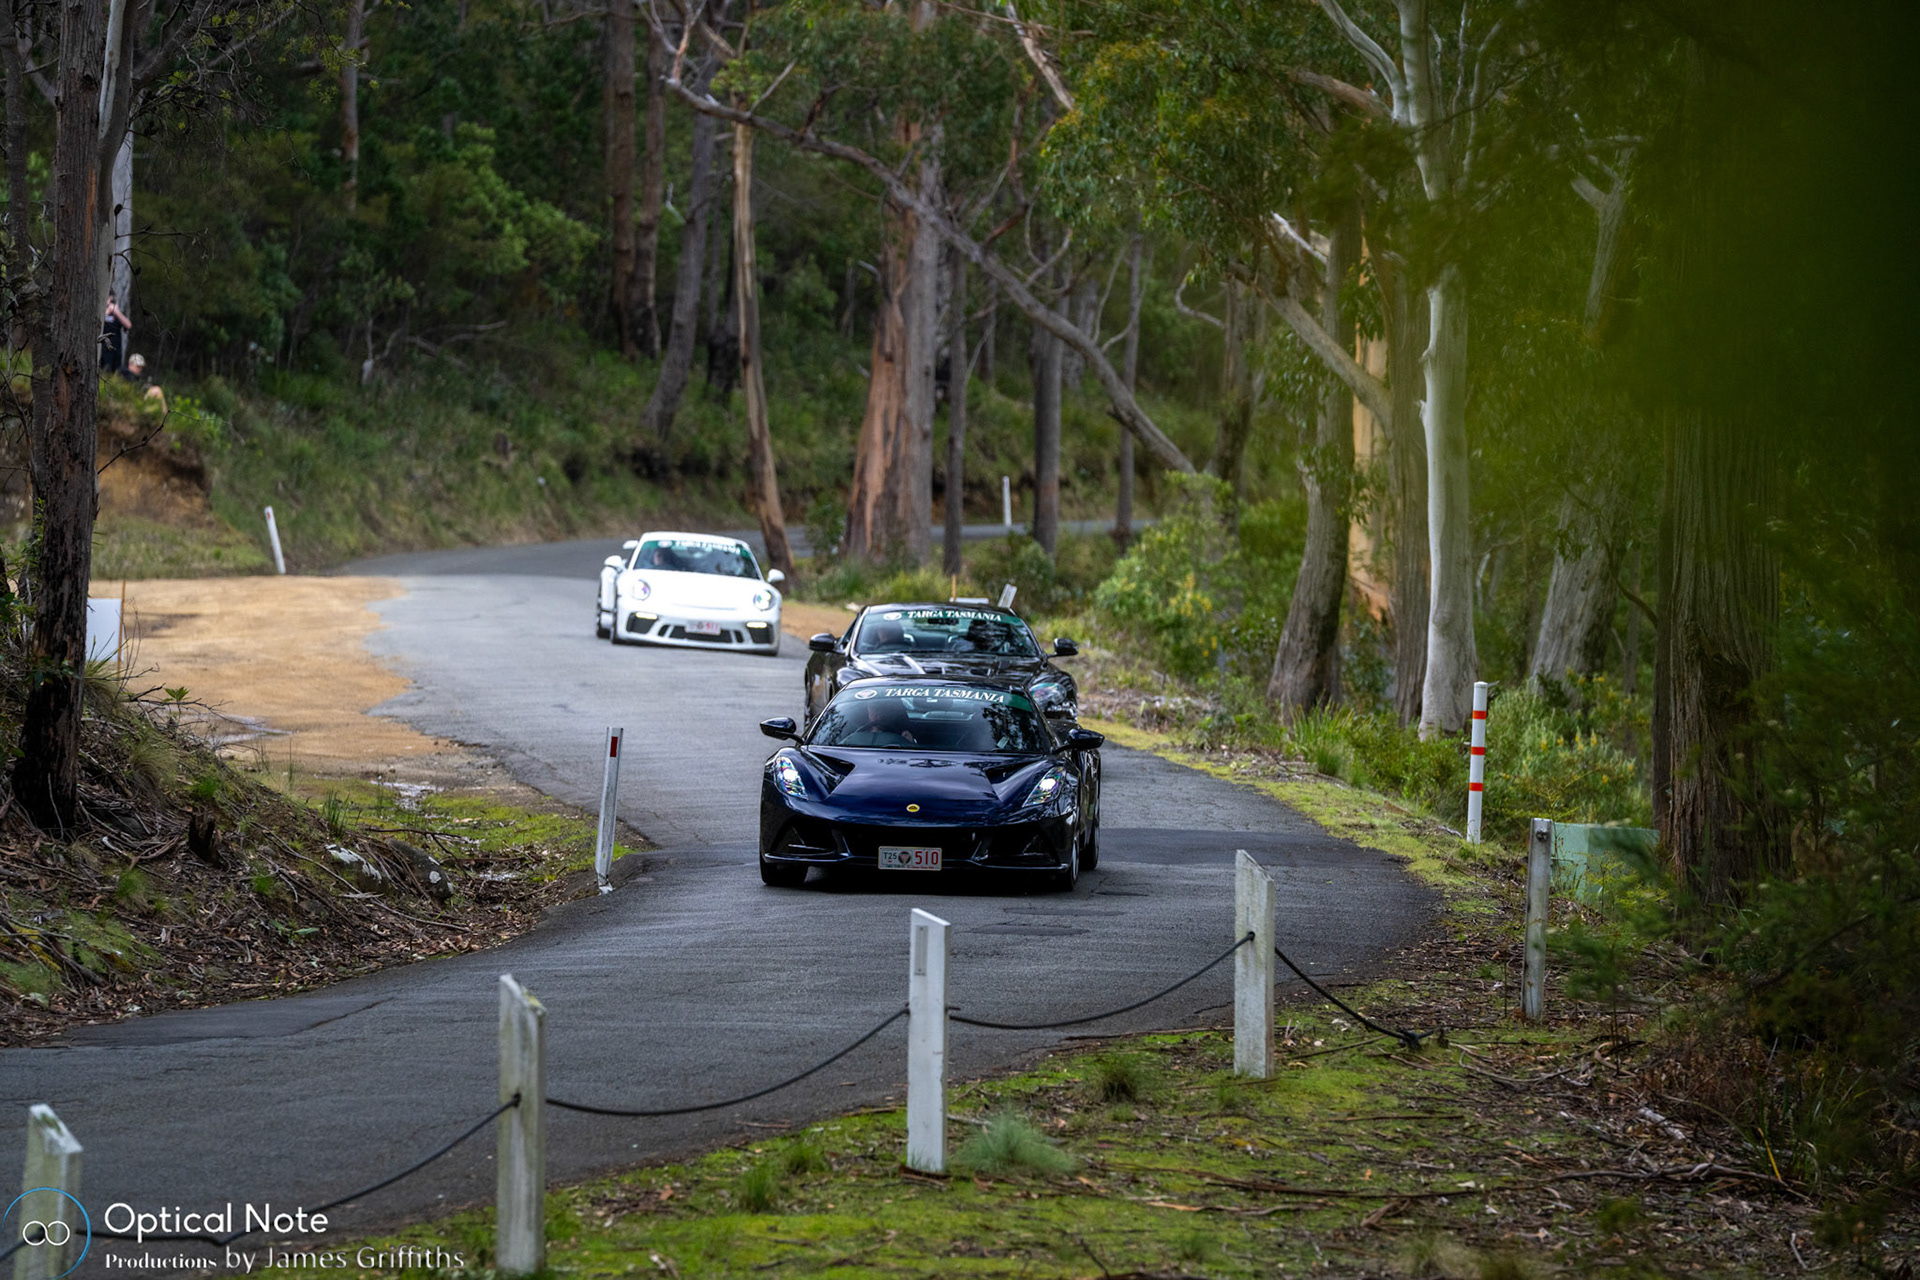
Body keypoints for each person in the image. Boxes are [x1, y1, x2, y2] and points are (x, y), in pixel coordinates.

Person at [100, 293, 131, 375]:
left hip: (115, 348)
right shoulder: (101, 312)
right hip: (102, 348)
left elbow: (128, 325)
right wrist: (107, 311)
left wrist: (117, 311)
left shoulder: (116, 314)